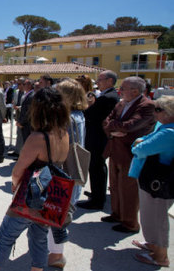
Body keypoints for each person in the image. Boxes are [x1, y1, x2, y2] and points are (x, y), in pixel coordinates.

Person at [0, 87, 70, 271]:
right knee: (39, 237)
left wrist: (15, 187)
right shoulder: (64, 133)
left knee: (6, 236)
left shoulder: (38, 137)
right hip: (49, 196)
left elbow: (18, 171)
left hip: (31, 195)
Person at [102, 76, 155, 233]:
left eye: (123, 88)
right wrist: (113, 130)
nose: (120, 90)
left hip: (130, 153)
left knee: (128, 189)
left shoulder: (147, 106)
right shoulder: (121, 103)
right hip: (115, 149)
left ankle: (130, 223)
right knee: (115, 185)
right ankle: (117, 214)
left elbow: (131, 126)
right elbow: (106, 121)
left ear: (135, 91)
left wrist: (113, 127)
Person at [47, 79, 88, 268]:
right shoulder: (78, 115)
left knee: (55, 214)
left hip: (62, 170)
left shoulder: (66, 118)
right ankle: (55, 252)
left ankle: (56, 255)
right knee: (61, 213)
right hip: (72, 170)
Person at [130, 95, 174, 267]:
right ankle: (153, 244)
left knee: (157, 217)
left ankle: (160, 256)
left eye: (158, 110)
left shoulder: (169, 133)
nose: (155, 113)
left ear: (168, 112)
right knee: (149, 215)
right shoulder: (164, 128)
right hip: (154, 179)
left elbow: (140, 149)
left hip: (159, 181)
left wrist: (139, 143)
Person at [77, 70, 120, 210]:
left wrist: (85, 108)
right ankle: (97, 193)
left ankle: (97, 199)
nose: (98, 82)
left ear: (109, 81)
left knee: (96, 167)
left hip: (97, 137)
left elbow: (89, 114)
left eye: (100, 79)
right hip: (97, 136)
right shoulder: (106, 96)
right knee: (96, 167)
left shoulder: (108, 97)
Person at [17, 78, 35, 143]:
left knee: (27, 142)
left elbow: (27, 112)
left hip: (27, 125)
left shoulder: (31, 96)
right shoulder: (28, 95)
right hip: (25, 124)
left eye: (24, 84)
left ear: (29, 85)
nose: (22, 85)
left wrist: (21, 122)